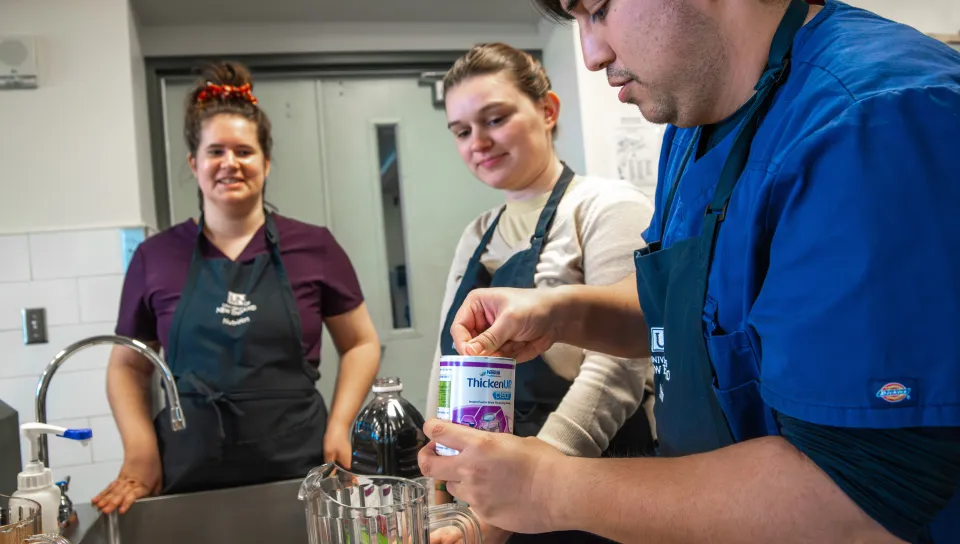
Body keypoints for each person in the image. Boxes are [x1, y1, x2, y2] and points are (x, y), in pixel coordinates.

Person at [419, 0, 960, 542]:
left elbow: (861, 501)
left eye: (599, 9)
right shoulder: (692, 120)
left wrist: (548, 488)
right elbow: (686, 313)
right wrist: (561, 312)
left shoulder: (872, 119)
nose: (590, 53)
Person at [92, 61, 381, 514]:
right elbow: (127, 367)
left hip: (300, 464)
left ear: (265, 162)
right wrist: (140, 451)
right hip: (189, 469)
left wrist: (341, 424)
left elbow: (361, 342)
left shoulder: (315, 246)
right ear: (194, 163)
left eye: (244, 151)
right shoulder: (156, 256)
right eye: (215, 151)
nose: (230, 163)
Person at [425, 43, 657, 543]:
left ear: (547, 111)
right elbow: (445, 368)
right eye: (462, 131)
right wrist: (439, 491)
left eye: (495, 119)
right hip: (490, 496)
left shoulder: (605, 208)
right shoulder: (477, 234)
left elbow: (620, 368)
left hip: (588, 488)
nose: (478, 142)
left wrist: (525, 491)